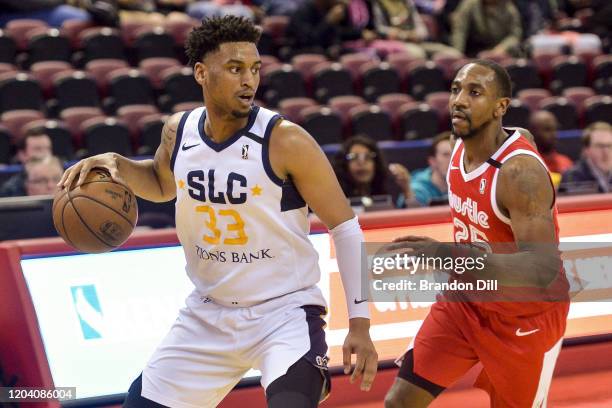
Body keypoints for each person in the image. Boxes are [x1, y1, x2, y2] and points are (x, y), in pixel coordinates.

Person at [59, 16, 377, 408]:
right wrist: (118, 165)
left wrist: (360, 323)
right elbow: (161, 184)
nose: (249, 81)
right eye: (235, 69)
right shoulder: (180, 130)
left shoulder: (286, 140)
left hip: (284, 313)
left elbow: (345, 228)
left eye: (255, 69)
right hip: (208, 314)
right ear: (200, 73)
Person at [384, 60, 569, 407]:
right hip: (466, 301)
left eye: (474, 92)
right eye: (456, 90)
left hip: (525, 317)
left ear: (501, 106)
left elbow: (542, 270)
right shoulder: (458, 149)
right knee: (399, 402)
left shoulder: (519, 174)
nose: (459, 100)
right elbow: (521, 135)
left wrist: (446, 255)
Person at [333, 135, 411, 209]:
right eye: (354, 157)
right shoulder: (336, 198)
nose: (361, 163)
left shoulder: (387, 191)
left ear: (376, 163)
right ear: (344, 164)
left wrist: (407, 189)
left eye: (367, 157)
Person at [450, 0, 522, 58]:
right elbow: (460, 31)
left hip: (499, 52)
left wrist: (498, 50)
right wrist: (458, 54)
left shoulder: (509, 8)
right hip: (472, 52)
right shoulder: (469, 4)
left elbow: (514, 36)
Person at [560, 121, 612, 193]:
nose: (606, 152)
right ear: (586, 150)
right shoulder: (571, 178)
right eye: (600, 146)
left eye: (610, 145)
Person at [0, 129, 53, 197]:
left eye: (48, 148)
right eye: (38, 149)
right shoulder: (9, 191)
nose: (46, 154)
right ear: (22, 155)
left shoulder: (64, 179)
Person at [530, 110, 573, 185]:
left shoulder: (566, 163)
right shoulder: (526, 165)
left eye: (555, 129)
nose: (554, 134)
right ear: (533, 132)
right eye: (547, 129)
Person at [408, 131, 451, 206]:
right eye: (446, 155)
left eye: (455, 154)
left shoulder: (469, 184)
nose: (452, 159)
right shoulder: (417, 189)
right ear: (432, 161)